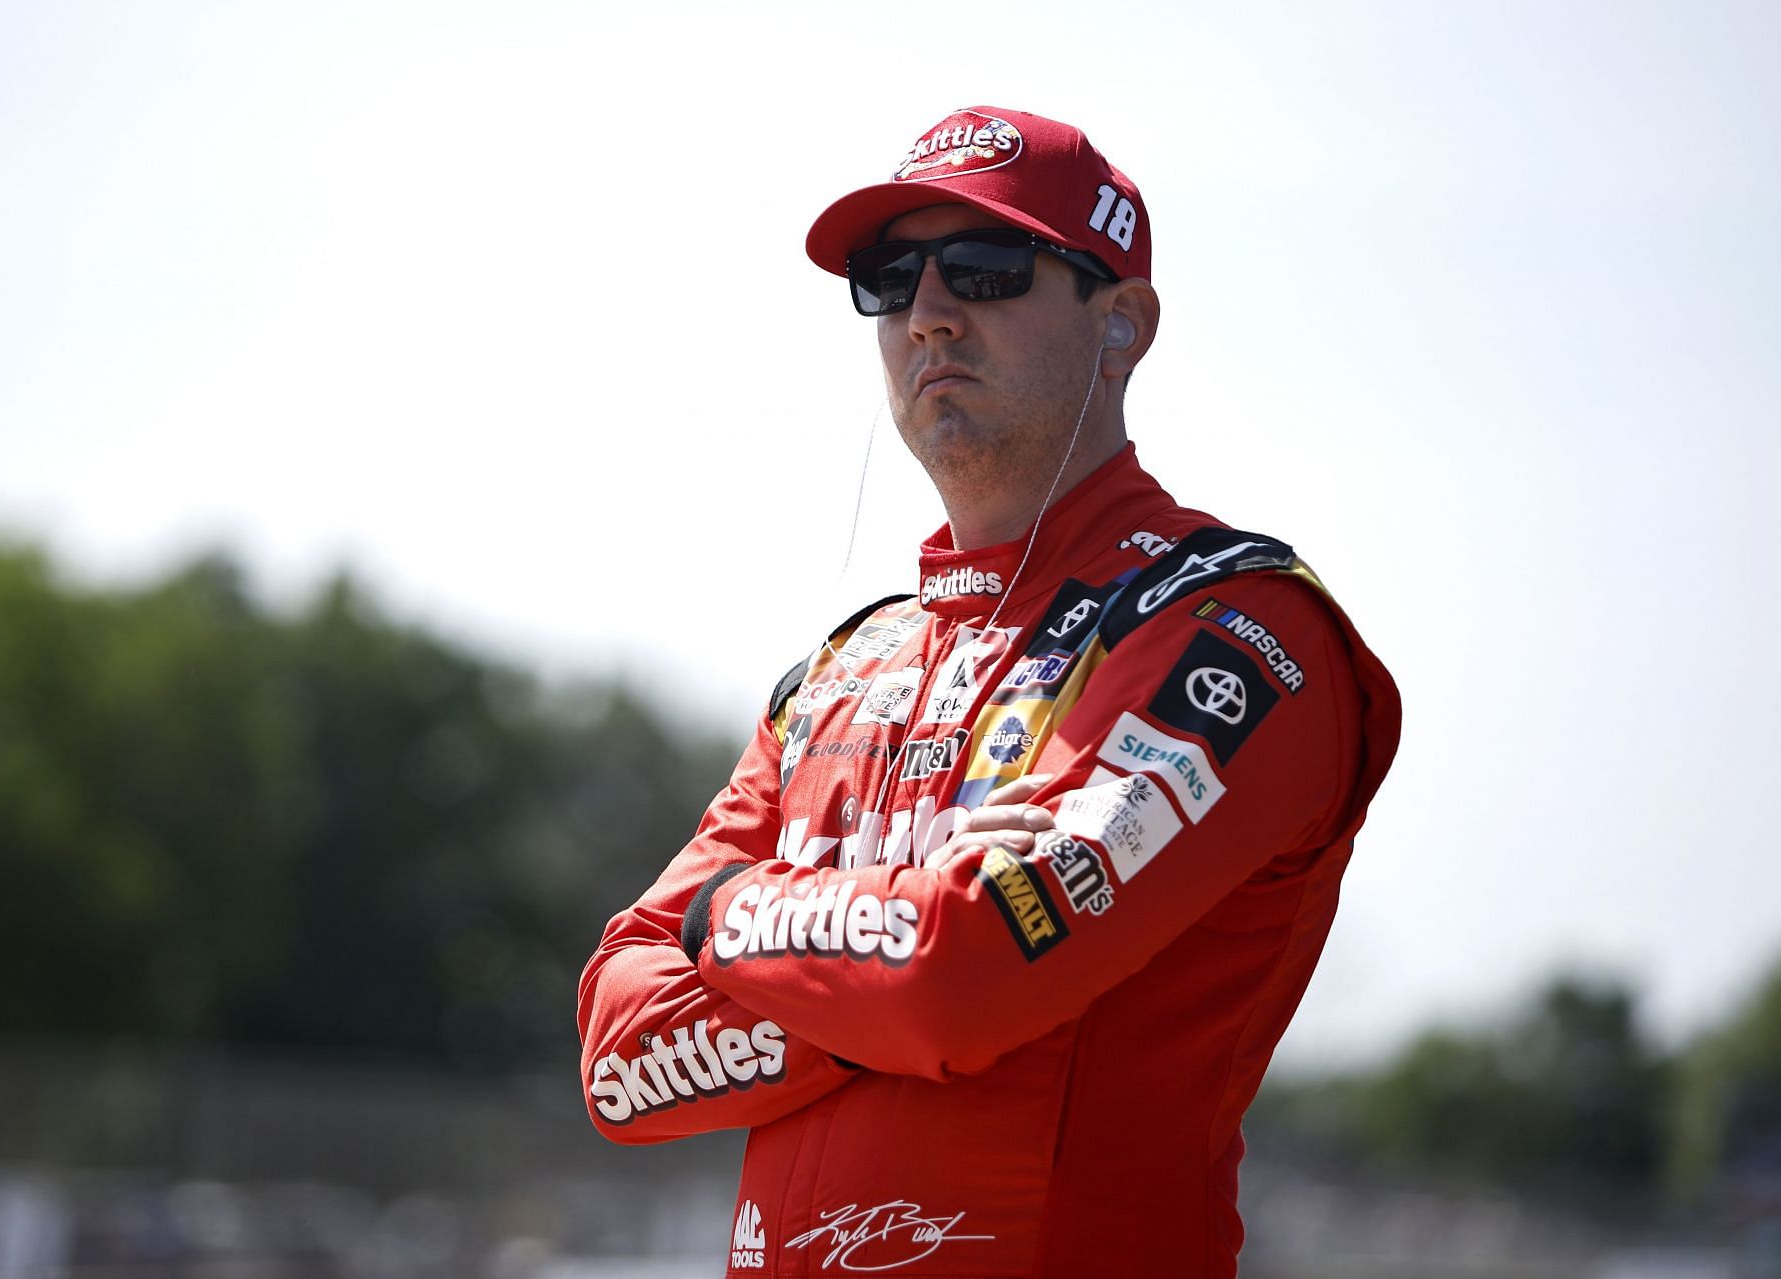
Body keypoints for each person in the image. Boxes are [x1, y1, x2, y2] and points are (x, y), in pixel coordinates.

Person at [577, 104, 1401, 1278]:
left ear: (1122, 326)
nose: (927, 313)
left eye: (985, 268)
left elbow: (960, 973)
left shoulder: (1239, 630)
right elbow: (618, 1054)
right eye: (888, 276)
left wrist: (727, 922)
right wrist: (881, 941)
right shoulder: (835, 676)